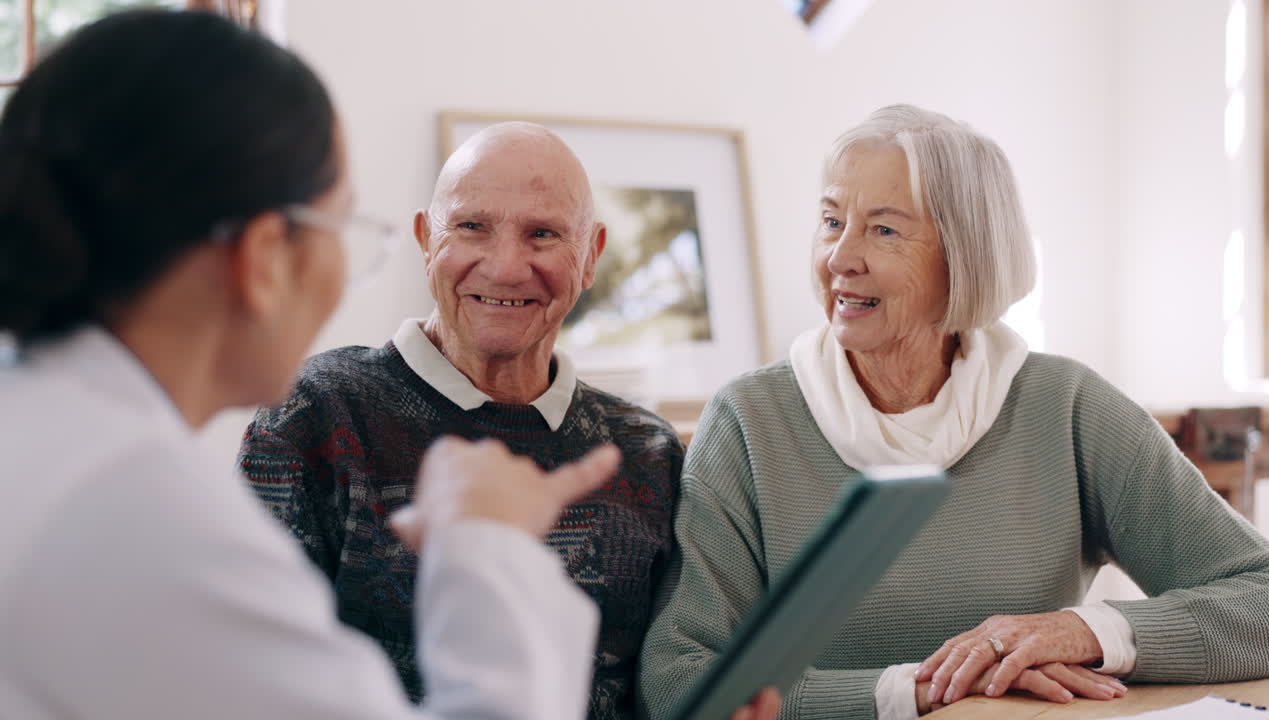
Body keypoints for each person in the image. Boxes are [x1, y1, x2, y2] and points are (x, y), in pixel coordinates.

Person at [0, 10, 782, 720]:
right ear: (265, 256)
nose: (504, 265)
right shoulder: (136, 504)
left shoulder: (57, 446)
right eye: (344, 226)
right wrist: (487, 546)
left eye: (542, 234)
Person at [638, 104, 1269, 720]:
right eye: (832, 221)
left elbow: (1268, 599)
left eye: (883, 230)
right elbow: (678, 683)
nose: (840, 258)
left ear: (965, 253)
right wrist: (922, 691)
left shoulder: (1066, 407)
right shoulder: (750, 422)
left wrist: (1082, 631)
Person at [237, 122, 684, 718]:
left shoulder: (647, 449)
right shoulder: (312, 413)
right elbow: (256, 679)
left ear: (590, 257)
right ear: (426, 239)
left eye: (543, 234)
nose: (505, 267)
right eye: (472, 226)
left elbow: (667, 686)